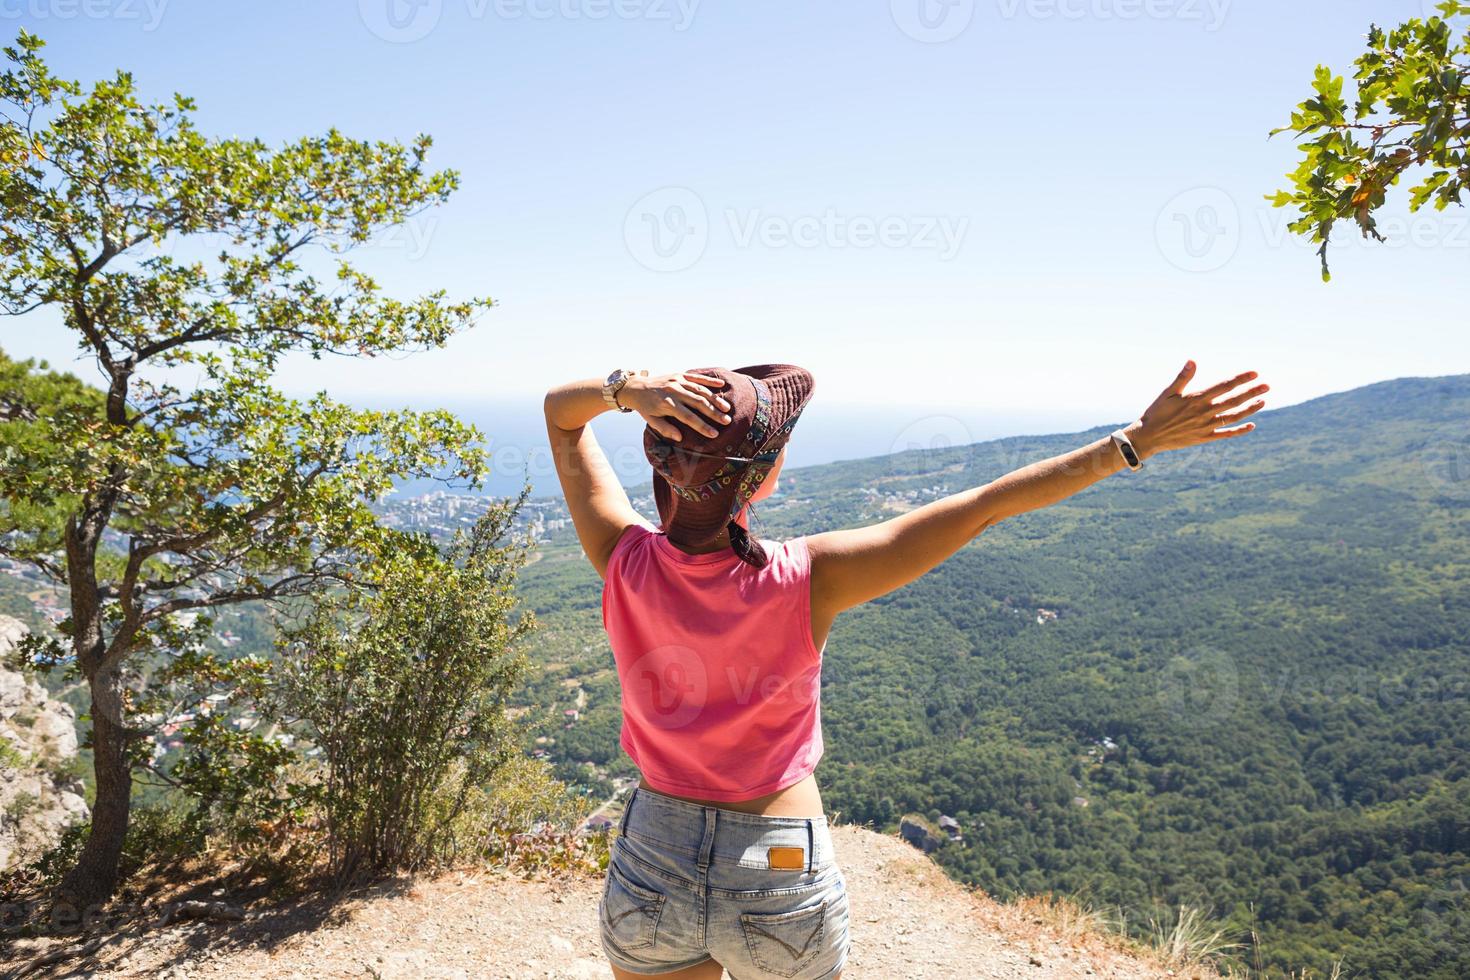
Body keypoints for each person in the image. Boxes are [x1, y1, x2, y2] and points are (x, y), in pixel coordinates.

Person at [544, 360, 1268, 979]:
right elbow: (985, 506)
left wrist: (627, 388)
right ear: (758, 481)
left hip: (653, 850)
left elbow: (561, 416)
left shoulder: (621, 558)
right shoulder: (807, 577)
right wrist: (1133, 443)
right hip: (777, 857)